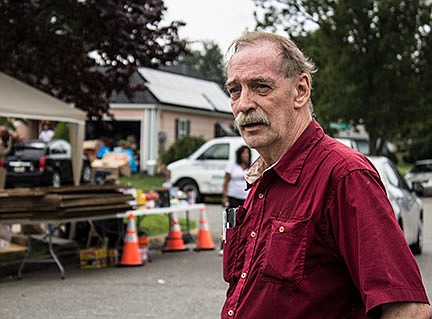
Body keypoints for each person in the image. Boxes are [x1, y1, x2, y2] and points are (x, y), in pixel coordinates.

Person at [221, 31, 431, 319]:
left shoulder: (344, 175)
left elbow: (409, 310)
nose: (243, 104)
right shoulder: (262, 179)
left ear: (301, 90)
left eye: (261, 87)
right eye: (235, 90)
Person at [220, 145, 252, 255]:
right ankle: (224, 246)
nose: (245, 155)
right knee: (230, 222)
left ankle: (240, 247)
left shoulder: (250, 166)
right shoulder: (232, 166)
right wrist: (224, 196)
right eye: (243, 153)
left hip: (246, 198)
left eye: (247, 153)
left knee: (245, 223)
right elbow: (226, 181)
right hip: (233, 196)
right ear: (239, 154)